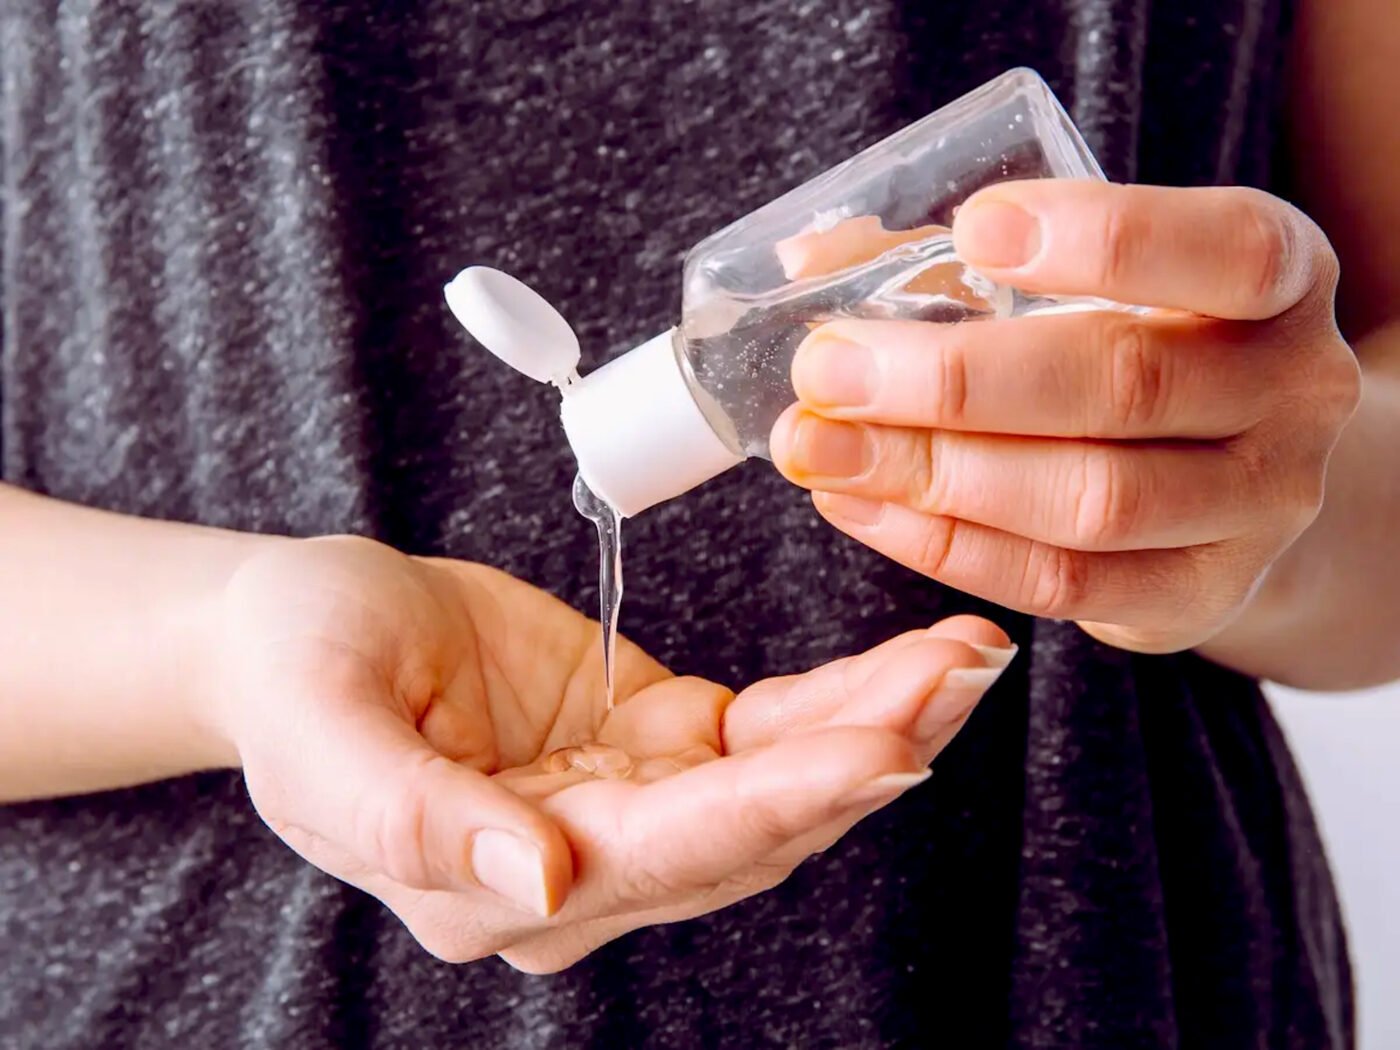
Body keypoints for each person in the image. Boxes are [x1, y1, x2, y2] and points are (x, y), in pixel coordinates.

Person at [1, 0, 1394, 1046]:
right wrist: (222, 644)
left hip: (1090, 978)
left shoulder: (729, 309)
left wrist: (1249, 525)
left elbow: (1369, 398)